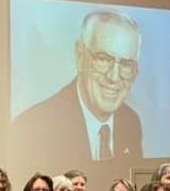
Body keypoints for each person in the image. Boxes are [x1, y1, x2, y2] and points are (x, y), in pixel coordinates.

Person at [12, 10, 143, 164]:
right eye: (103, 59)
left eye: (126, 64)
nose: (114, 77)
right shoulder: (33, 126)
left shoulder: (131, 122)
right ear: (80, 57)